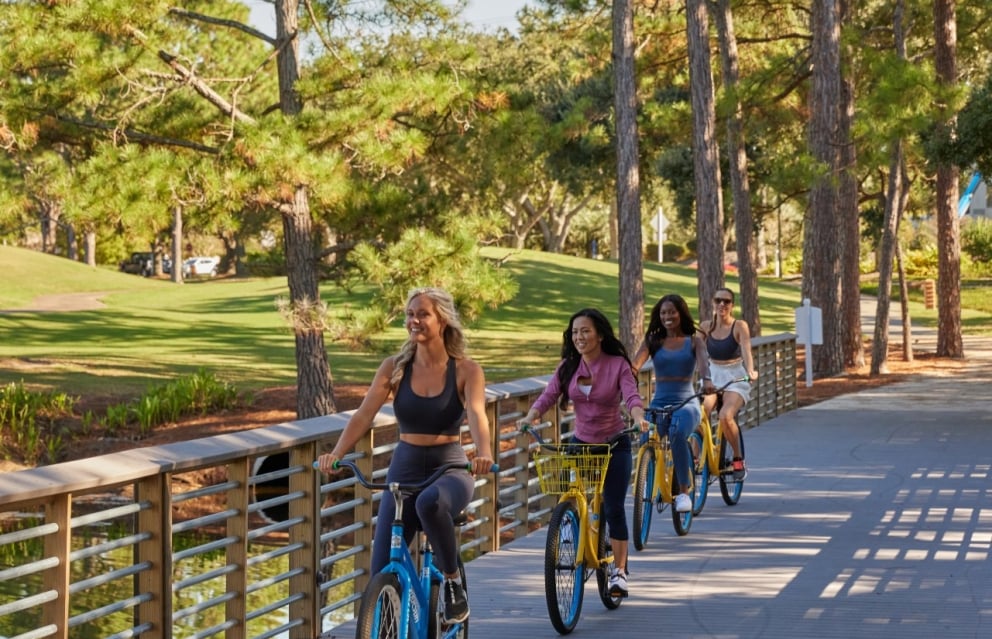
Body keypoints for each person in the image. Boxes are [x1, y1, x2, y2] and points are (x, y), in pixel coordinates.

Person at [315, 287, 493, 624]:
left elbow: (477, 414)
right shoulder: (394, 367)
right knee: (381, 568)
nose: (414, 321)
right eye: (410, 314)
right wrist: (336, 455)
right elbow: (363, 416)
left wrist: (483, 453)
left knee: (430, 503)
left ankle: (453, 583)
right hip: (405, 466)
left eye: (422, 314)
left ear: (443, 320)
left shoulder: (467, 370)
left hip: (450, 468)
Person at [518, 308, 645, 598]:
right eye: (575, 332)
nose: (579, 337)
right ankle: (571, 529)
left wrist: (638, 418)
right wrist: (531, 416)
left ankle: (620, 572)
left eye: (585, 331)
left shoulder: (618, 365)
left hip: (614, 444)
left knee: (613, 506)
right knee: (568, 493)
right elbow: (549, 395)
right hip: (581, 442)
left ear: (600, 334)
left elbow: (631, 396)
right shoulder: (568, 367)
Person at [631, 294, 714, 514]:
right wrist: (625, 378)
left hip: (686, 401)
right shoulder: (653, 341)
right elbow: (635, 365)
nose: (667, 316)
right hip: (659, 401)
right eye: (663, 313)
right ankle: (646, 480)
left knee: (677, 433)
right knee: (645, 432)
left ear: (681, 313)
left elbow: (704, 363)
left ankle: (684, 493)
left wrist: (707, 380)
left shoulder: (694, 341)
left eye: (672, 312)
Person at [699, 287, 756, 480]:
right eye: (718, 300)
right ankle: (694, 457)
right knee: (700, 413)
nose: (722, 304)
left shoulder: (739, 325)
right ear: (713, 303)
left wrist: (751, 370)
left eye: (726, 301)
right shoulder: (706, 327)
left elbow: (746, 350)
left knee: (725, 416)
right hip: (713, 374)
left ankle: (738, 458)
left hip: (734, 376)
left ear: (732, 305)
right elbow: (696, 352)